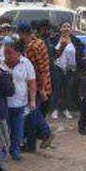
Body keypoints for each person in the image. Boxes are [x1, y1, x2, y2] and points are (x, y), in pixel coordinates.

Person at [19, 22, 53, 151]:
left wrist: (41, 89)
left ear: (22, 34)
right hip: (45, 82)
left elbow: (37, 70)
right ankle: (34, 141)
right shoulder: (40, 42)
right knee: (33, 113)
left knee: (32, 113)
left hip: (37, 85)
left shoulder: (31, 47)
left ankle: (45, 134)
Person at [3, 40, 36, 161]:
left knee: (18, 130)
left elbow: (32, 83)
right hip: (3, 103)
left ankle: (15, 151)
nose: (6, 55)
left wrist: (32, 101)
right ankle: (2, 152)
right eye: (5, 52)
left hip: (20, 103)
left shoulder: (26, 63)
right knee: (4, 129)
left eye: (9, 53)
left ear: (17, 53)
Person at [53, 22, 78, 120]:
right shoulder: (55, 39)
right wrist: (62, 46)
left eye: (68, 27)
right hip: (57, 66)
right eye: (64, 27)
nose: (66, 29)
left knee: (68, 89)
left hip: (70, 68)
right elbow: (54, 54)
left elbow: (78, 54)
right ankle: (55, 109)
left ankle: (66, 109)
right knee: (57, 88)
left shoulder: (75, 40)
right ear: (60, 29)